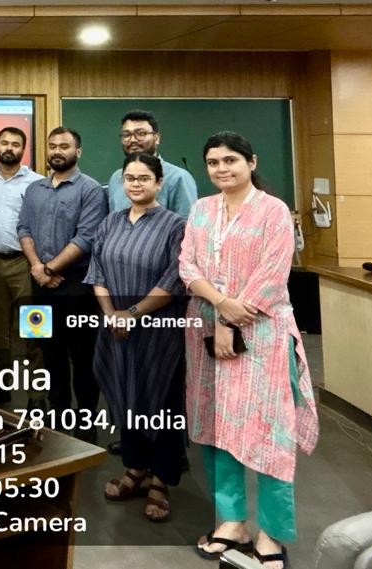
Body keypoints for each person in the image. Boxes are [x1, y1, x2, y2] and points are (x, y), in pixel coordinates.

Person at [181, 131, 318, 568]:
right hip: (206, 331)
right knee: (218, 426)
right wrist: (220, 305)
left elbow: (273, 274)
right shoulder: (202, 210)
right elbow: (187, 265)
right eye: (213, 162)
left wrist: (227, 318)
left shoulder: (274, 211)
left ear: (251, 162)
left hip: (262, 334)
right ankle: (232, 521)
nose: (222, 169)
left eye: (231, 160)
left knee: (270, 431)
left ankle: (271, 533)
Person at [87, 152, 188, 523]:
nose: (136, 184)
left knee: (161, 402)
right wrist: (111, 313)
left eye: (144, 178)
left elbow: (173, 280)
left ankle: (161, 480)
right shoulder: (110, 222)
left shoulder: (175, 226)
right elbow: (97, 272)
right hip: (116, 329)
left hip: (158, 333)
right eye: (130, 178)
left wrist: (132, 313)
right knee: (124, 395)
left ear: (159, 183)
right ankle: (136, 469)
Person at [17, 127, 108, 430]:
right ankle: (57, 414)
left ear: (77, 151)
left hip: (77, 285)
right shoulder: (34, 189)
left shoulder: (91, 190)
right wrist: (37, 268)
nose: (57, 151)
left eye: (64, 146)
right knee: (47, 351)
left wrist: (50, 270)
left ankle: (85, 419)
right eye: (53, 145)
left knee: (82, 355)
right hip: (38, 284)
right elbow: (23, 229)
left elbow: (86, 238)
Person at [0, 126, 45, 408]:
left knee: (35, 331)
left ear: (23, 150)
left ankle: (37, 397)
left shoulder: (37, 182)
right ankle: (1, 389)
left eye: (15, 144)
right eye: (4, 142)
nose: (9, 148)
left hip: (25, 265)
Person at [107, 109, 198, 217]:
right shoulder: (116, 178)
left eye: (141, 134)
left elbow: (189, 223)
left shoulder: (178, 178)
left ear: (157, 138)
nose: (132, 140)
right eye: (126, 135)